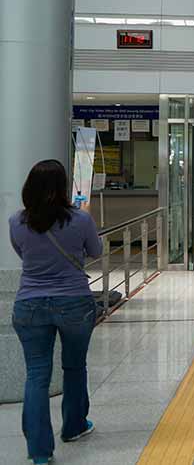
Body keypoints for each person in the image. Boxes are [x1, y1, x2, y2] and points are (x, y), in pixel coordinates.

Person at [9, 160, 103, 465]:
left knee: (36, 375)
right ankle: (74, 426)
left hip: (30, 305)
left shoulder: (16, 222)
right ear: (62, 188)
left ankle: (39, 451)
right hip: (74, 301)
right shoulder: (80, 220)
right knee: (74, 367)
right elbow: (96, 252)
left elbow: (23, 254)